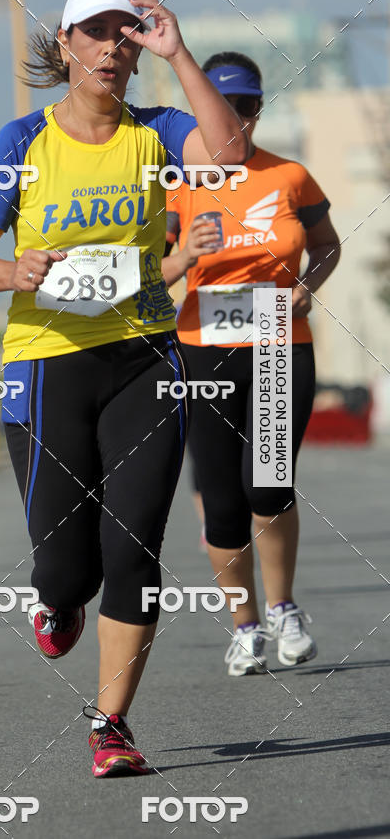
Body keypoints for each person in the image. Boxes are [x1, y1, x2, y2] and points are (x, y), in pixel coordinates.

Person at [0, 0, 248, 776]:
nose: (114, 46)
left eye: (128, 32)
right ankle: (58, 597)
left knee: (135, 543)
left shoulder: (160, 131)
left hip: (145, 356)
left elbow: (228, 157)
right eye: (96, 32)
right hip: (49, 364)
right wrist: (16, 272)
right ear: (66, 44)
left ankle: (111, 723)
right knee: (65, 569)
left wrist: (178, 52)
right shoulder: (22, 142)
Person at [163, 51, 341, 676]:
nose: (235, 117)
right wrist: (183, 255)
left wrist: (307, 287)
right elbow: (147, 281)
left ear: (259, 109)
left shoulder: (290, 175)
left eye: (246, 106)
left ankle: (285, 607)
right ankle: (245, 627)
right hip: (204, 347)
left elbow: (326, 245)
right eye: (223, 105)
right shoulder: (177, 183)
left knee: (267, 482)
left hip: (276, 339)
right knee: (220, 499)